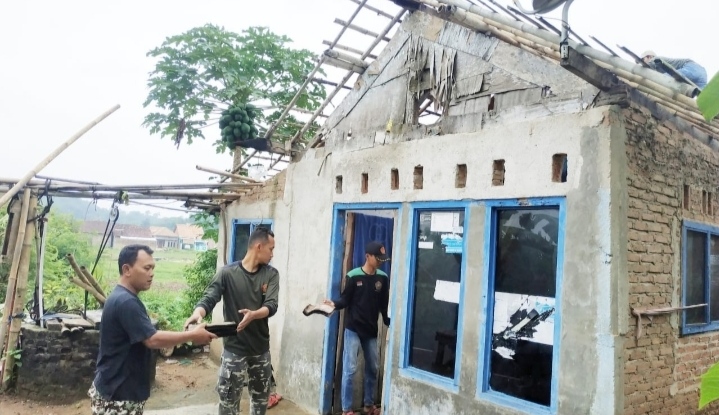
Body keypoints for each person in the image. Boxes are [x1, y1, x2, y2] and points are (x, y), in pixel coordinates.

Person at [89, 244, 217, 415]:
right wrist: (192, 335)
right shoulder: (126, 302)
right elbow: (152, 339)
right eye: (146, 268)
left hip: (117, 389)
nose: (152, 273)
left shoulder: (122, 297)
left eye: (153, 268)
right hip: (118, 394)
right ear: (127, 269)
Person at [184, 226, 279, 415]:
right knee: (228, 404)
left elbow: (272, 305)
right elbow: (210, 296)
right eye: (271, 249)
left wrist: (253, 314)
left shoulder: (271, 274)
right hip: (234, 350)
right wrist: (198, 312)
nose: (272, 254)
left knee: (260, 404)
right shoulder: (227, 273)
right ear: (258, 247)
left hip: (260, 351)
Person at [324, 241, 391, 415]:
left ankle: (369, 405)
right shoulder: (353, 276)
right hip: (353, 329)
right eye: (378, 258)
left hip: (371, 330)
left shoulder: (382, 277)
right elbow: (345, 300)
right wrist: (333, 304)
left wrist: (387, 321)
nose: (380, 262)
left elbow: (384, 304)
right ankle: (347, 409)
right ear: (367, 256)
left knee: (373, 368)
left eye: (382, 259)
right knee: (350, 369)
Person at [640, 50, 708, 89]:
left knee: (663, 78)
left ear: (649, 57)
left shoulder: (655, 59)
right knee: (704, 97)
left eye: (643, 59)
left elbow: (647, 68)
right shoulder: (659, 66)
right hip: (702, 74)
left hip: (691, 67)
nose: (642, 62)